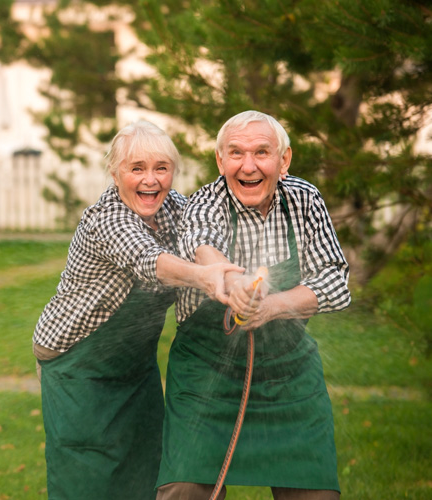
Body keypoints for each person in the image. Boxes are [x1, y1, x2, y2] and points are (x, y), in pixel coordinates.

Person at [33, 120, 243, 500]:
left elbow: (205, 233)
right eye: (137, 168)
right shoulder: (106, 218)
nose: (151, 180)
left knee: (146, 467)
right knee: (87, 475)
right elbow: (150, 260)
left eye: (161, 168)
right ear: (116, 174)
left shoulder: (179, 209)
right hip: (77, 366)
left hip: (135, 364)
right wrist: (204, 276)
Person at [156, 111, 352, 500]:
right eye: (236, 153)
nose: (248, 166)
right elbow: (203, 246)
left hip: (289, 378)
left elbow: (336, 279)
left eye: (262, 152)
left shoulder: (304, 200)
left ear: (284, 160)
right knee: (185, 490)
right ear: (220, 160)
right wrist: (232, 282)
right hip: (206, 380)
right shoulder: (204, 204)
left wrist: (274, 304)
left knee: (315, 496)